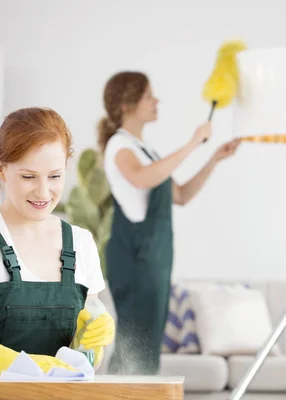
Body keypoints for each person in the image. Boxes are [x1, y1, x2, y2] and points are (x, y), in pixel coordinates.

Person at [0, 107, 116, 377]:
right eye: (28, 177)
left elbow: (85, 360)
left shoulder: (81, 243)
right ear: (0, 168)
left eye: (55, 176)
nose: (43, 192)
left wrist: (92, 344)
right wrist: (16, 366)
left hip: (59, 394)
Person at [98, 71, 240, 375]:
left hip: (154, 258)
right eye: (149, 95)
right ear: (127, 104)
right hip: (136, 258)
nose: (156, 100)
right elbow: (139, 178)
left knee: (147, 342)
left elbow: (182, 195)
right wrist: (191, 144)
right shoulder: (119, 147)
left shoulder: (146, 150)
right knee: (134, 342)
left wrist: (213, 158)